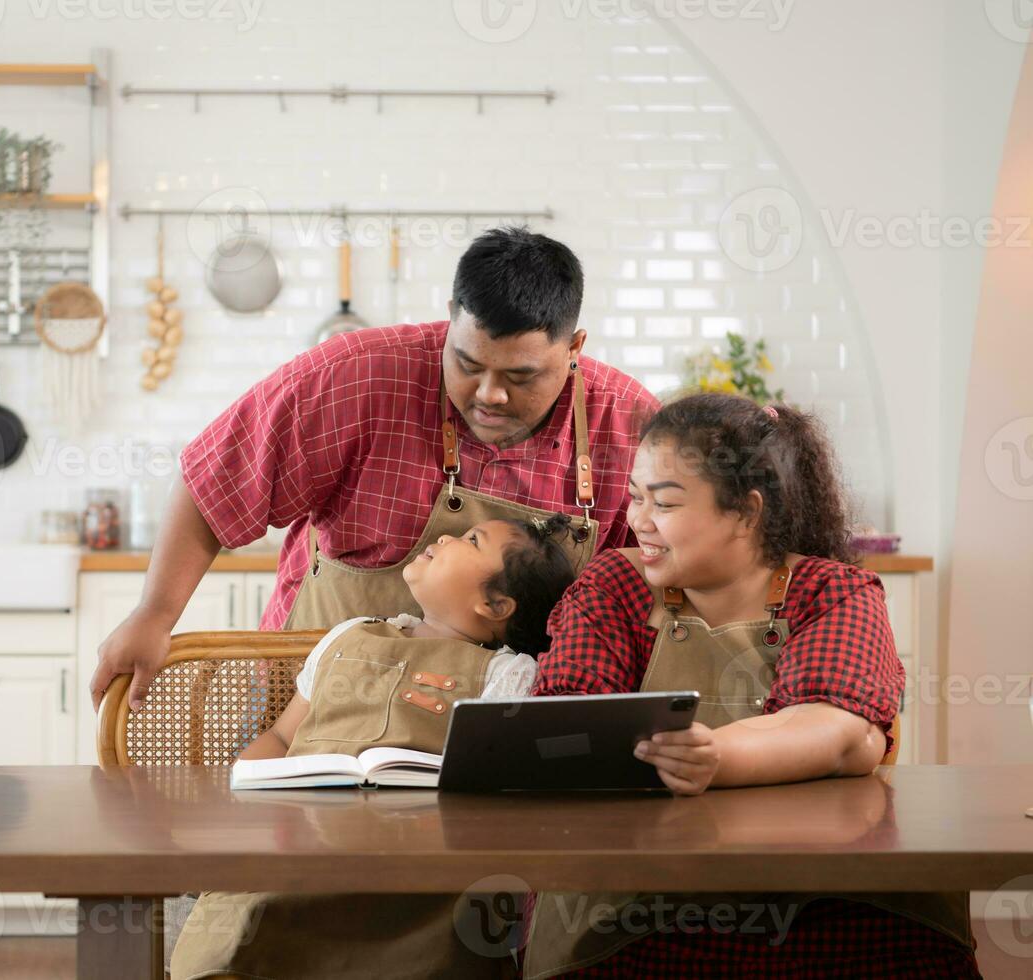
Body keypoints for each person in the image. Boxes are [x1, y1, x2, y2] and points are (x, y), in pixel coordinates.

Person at [92, 227, 658, 711]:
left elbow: (663, 572)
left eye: (521, 377)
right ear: (450, 323)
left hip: (493, 723)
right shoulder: (357, 376)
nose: (490, 396)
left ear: (574, 347)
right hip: (308, 704)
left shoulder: (627, 424)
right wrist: (153, 614)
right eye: (467, 364)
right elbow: (214, 482)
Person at [521, 392, 977, 978]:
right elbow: (568, 723)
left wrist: (717, 756)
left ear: (747, 513)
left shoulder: (835, 592)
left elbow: (836, 731)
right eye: (635, 498)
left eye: (664, 502)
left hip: (835, 895)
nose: (637, 521)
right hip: (642, 902)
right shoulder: (613, 586)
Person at [171, 515, 579, 980]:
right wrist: (242, 800)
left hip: (415, 887)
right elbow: (283, 736)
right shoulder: (350, 633)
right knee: (240, 932)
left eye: (471, 540)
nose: (444, 536)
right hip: (293, 856)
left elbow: (498, 798)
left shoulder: (506, 676)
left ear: (495, 604)